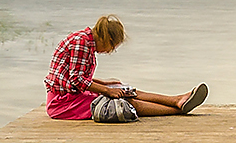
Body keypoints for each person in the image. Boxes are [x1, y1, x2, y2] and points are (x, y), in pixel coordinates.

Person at [46, 15, 207, 120]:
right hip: (63, 103)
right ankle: (177, 111)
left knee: (125, 90)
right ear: (107, 38)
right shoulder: (81, 43)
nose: (109, 51)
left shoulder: (86, 41)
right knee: (124, 102)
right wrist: (107, 91)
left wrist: (105, 84)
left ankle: (176, 100)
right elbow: (76, 79)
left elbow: (73, 77)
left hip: (74, 95)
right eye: (112, 47)